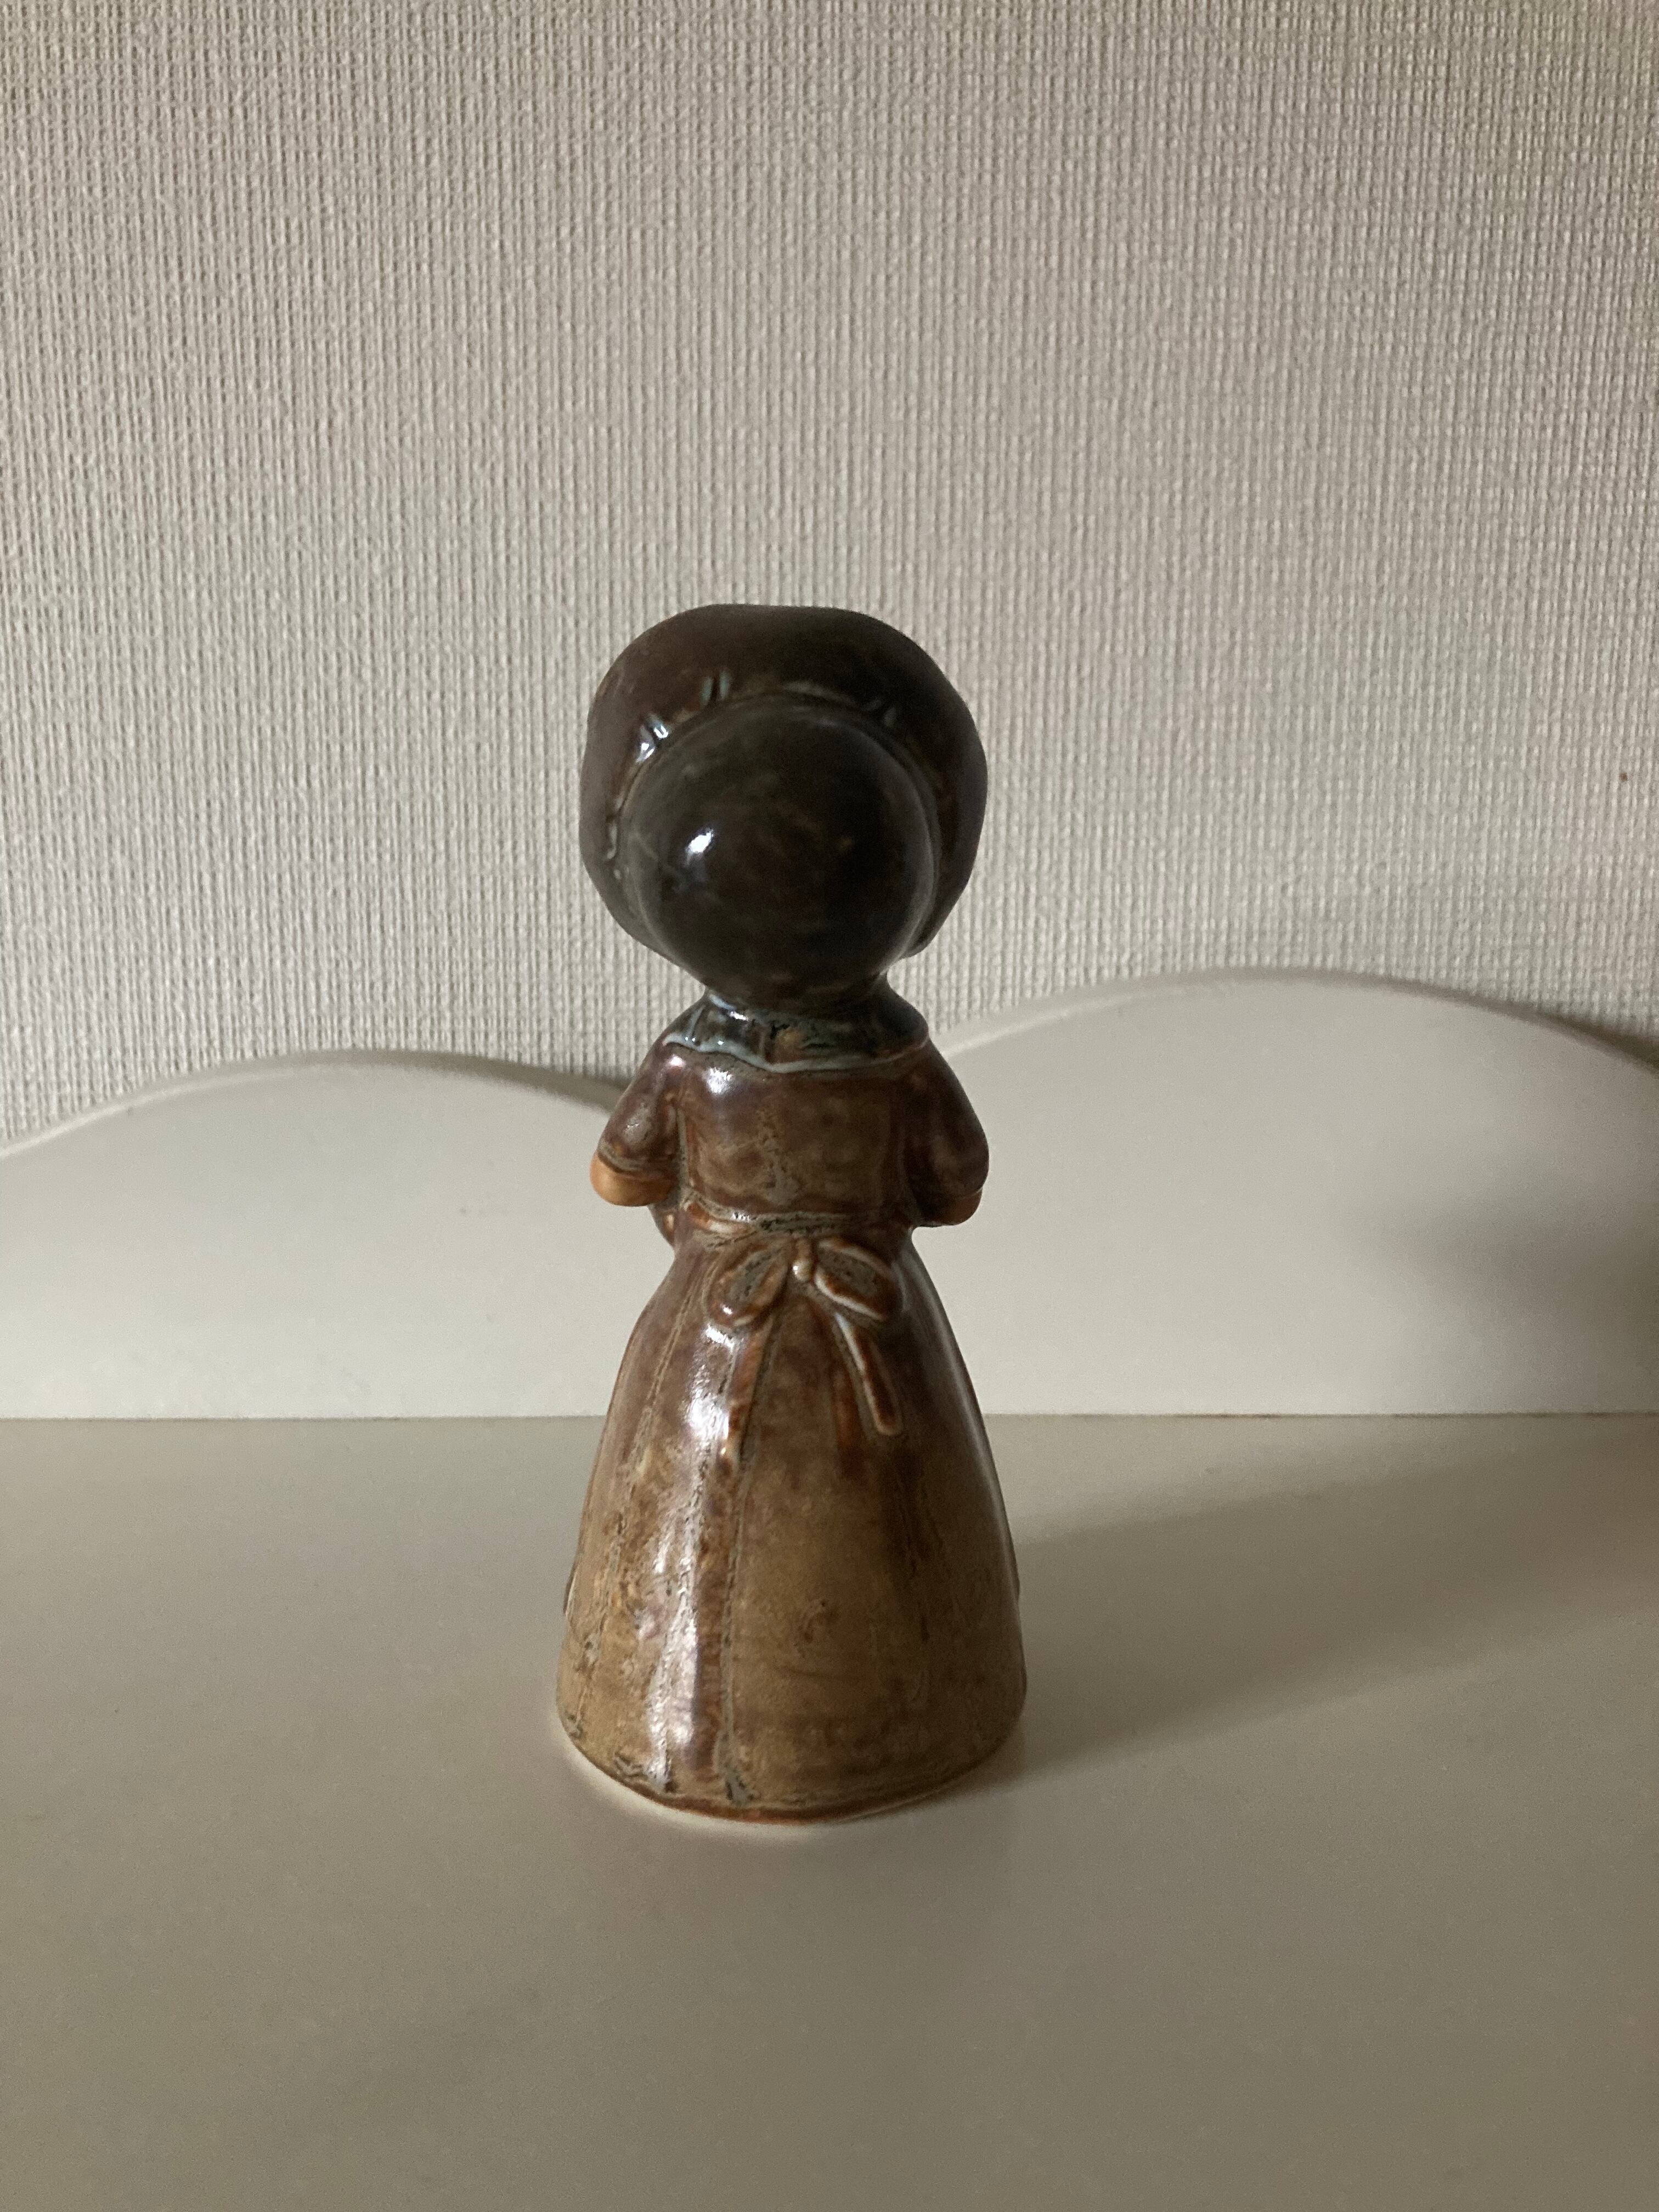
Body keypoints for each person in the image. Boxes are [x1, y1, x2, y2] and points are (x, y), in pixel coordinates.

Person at [557, 603, 1025, 1818]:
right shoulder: (899, 1061)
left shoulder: (688, 1060)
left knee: (689, 1509)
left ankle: (666, 1715)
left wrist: (705, 1219)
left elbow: (619, 1175)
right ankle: (910, 1714)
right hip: (873, 1321)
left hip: (715, 1315)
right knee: (896, 1512)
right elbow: (957, 1186)